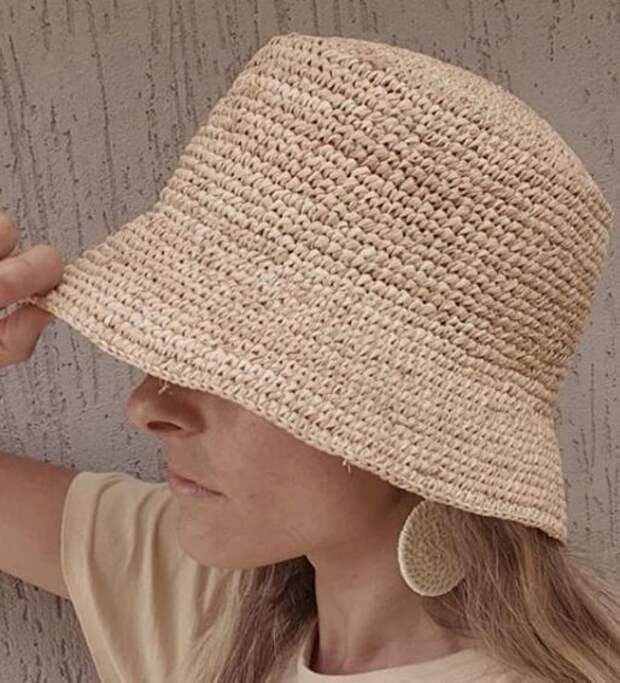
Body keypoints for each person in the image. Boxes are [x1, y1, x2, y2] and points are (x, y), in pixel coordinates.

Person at [1, 31, 619, 683]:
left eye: (237, 358)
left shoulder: (204, 593)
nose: (147, 405)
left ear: (416, 415)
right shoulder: (212, 595)